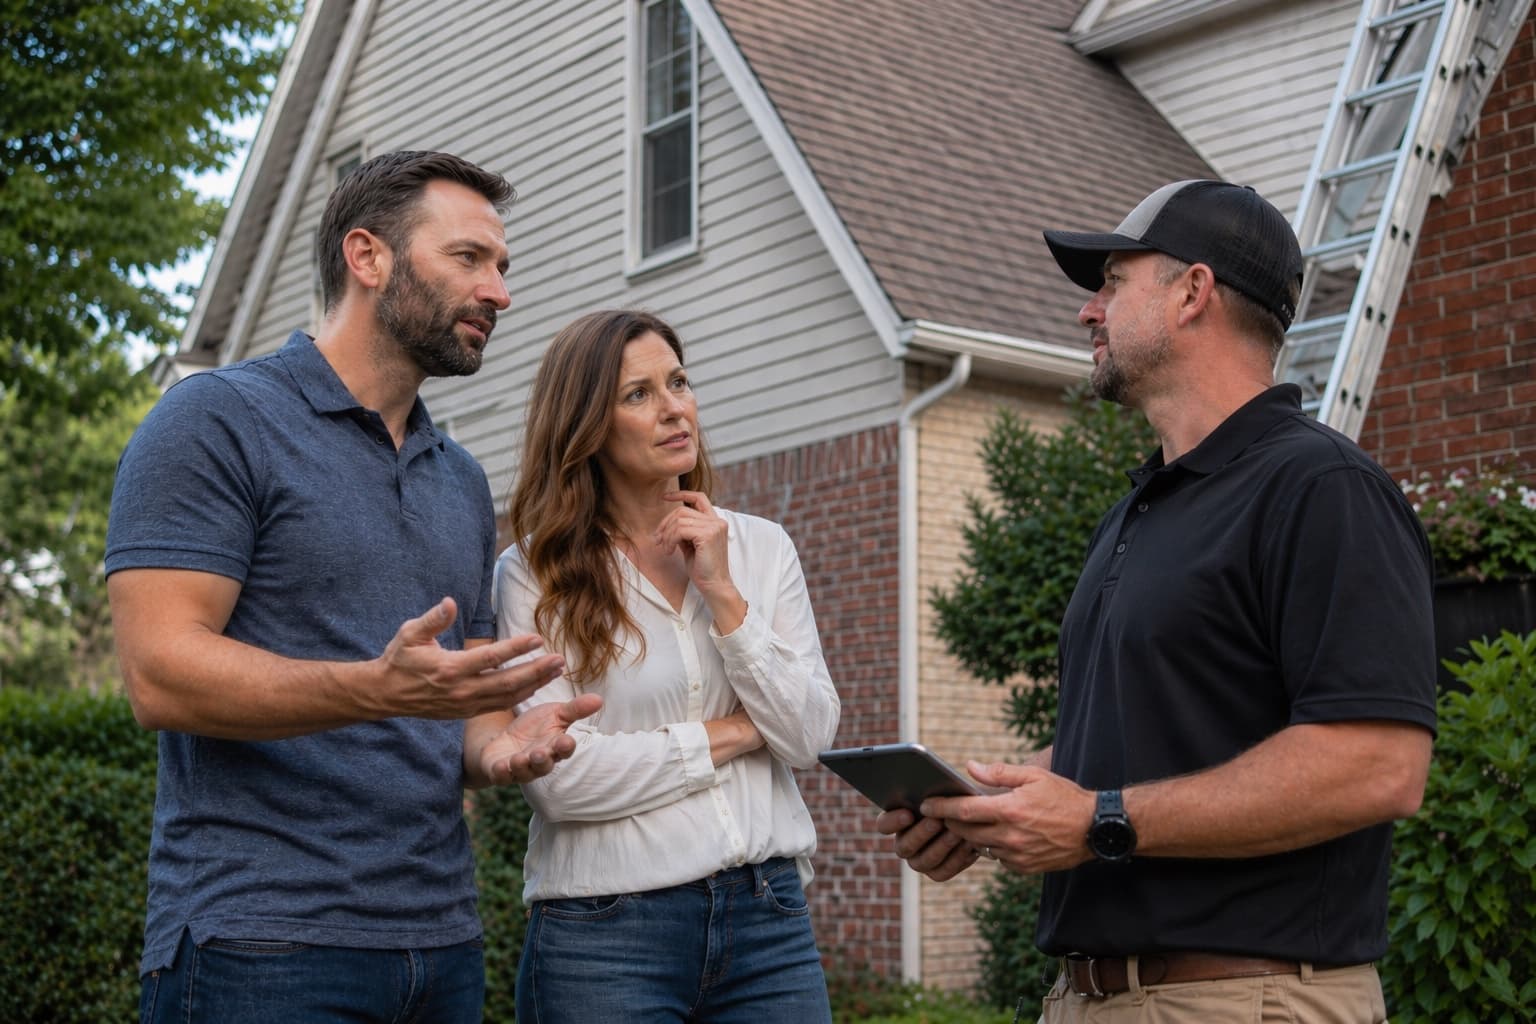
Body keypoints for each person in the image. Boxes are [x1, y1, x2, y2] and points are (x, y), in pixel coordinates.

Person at [877, 180, 1437, 1022]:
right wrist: (1005, 804)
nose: (1087, 312)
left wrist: (1100, 819)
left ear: (1192, 293)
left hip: (1244, 1001)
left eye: (1111, 281)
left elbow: (1379, 764)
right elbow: (1156, 746)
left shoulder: (1323, 488)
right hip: (1088, 999)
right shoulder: (1140, 511)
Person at [105, 150, 601, 1024]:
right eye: (469, 259)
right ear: (367, 258)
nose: (500, 293)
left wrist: (503, 749)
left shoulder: (460, 479)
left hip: (440, 947)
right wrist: (376, 690)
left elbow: (460, 716)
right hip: (260, 944)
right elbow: (160, 673)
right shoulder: (216, 419)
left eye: (504, 268)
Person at [483, 309, 841, 1023]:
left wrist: (723, 592)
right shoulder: (532, 573)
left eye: (678, 381)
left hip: (769, 925)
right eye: (638, 394)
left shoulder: (761, 548)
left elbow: (808, 736)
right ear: (586, 424)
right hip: (605, 938)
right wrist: (738, 735)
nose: (675, 407)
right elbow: (561, 779)